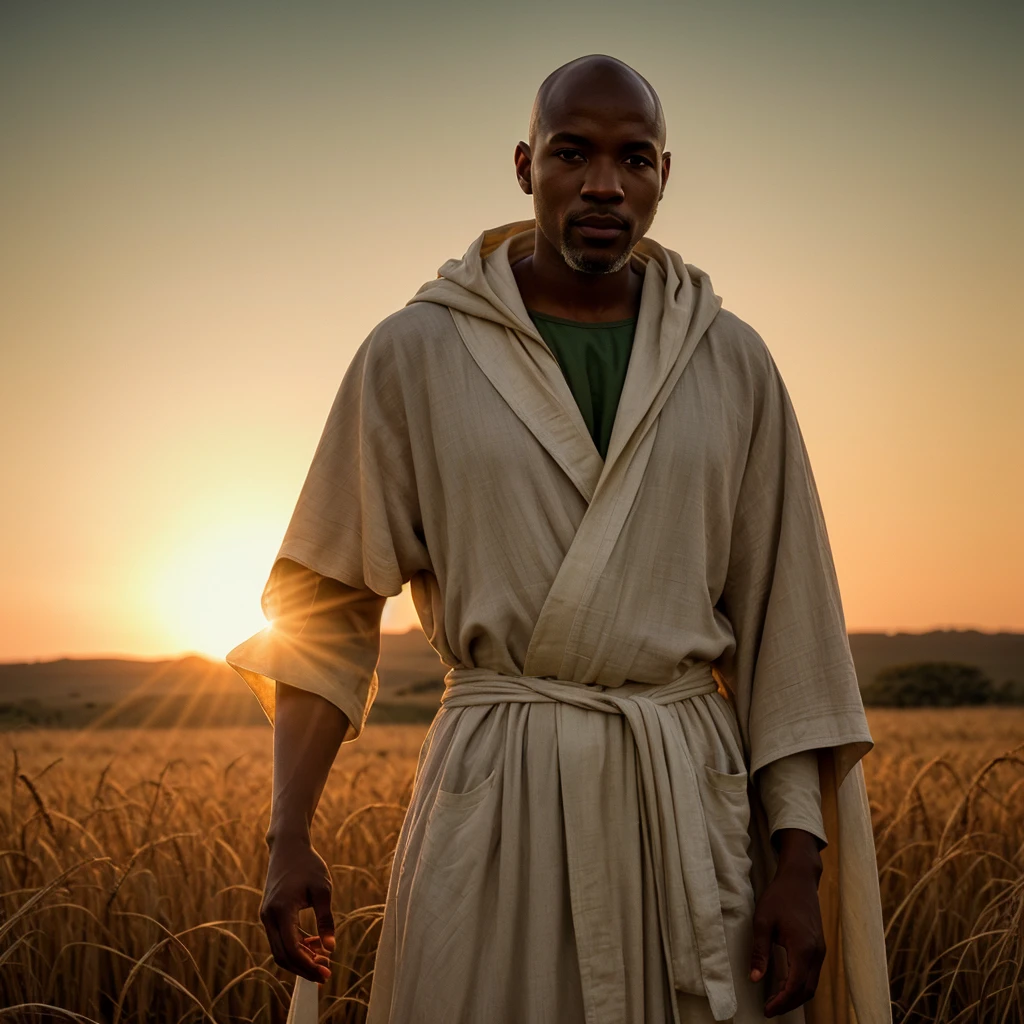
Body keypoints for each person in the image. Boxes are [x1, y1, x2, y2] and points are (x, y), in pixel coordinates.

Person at [227, 54, 890, 1024]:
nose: (604, 184)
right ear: (524, 164)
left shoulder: (732, 362)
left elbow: (789, 636)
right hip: (495, 800)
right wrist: (288, 835)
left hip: (686, 813)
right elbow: (324, 606)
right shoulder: (415, 353)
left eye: (636, 159)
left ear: (666, 173)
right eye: (573, 153)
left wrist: (796, 864)